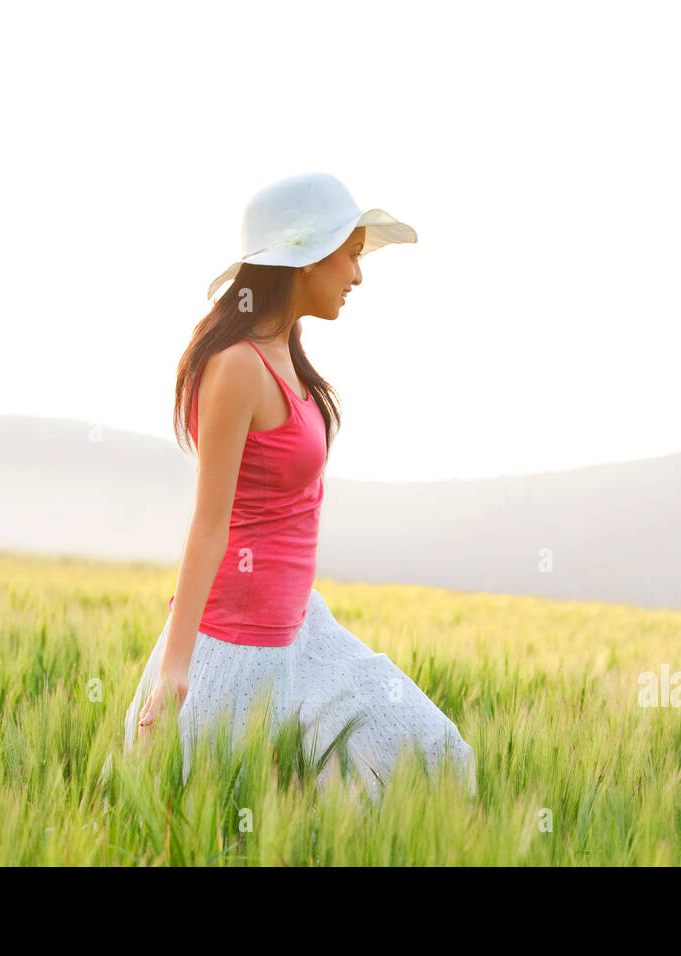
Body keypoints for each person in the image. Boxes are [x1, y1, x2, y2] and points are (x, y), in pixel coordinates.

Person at [122, 172, 476, 801]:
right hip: (236, 648)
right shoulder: (236, 366)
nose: (359, 276)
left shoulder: (286, 348)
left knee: (437, 756)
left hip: (300, 628)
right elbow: (210, 525)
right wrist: (177, 670)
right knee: (227, 820)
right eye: (353, 255)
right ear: (306, 257)